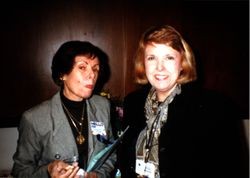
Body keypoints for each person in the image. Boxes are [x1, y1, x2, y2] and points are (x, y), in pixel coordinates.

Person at [120, 25, 248, 178]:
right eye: (152, 58)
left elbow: (232, 169)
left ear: (182, 64)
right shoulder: (132, 102)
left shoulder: (214, 107)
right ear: (143, 63)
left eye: (169, 57)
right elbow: (124, 158)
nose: (159, 67)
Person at [11, 41, 116, 178]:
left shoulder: (103, 106)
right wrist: (48, 171)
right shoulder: (34, 119)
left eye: (95, 68)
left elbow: (110, 153)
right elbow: (20, 171)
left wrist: (97, 175)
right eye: (82, 67)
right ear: (63, 74)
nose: (92, 75)